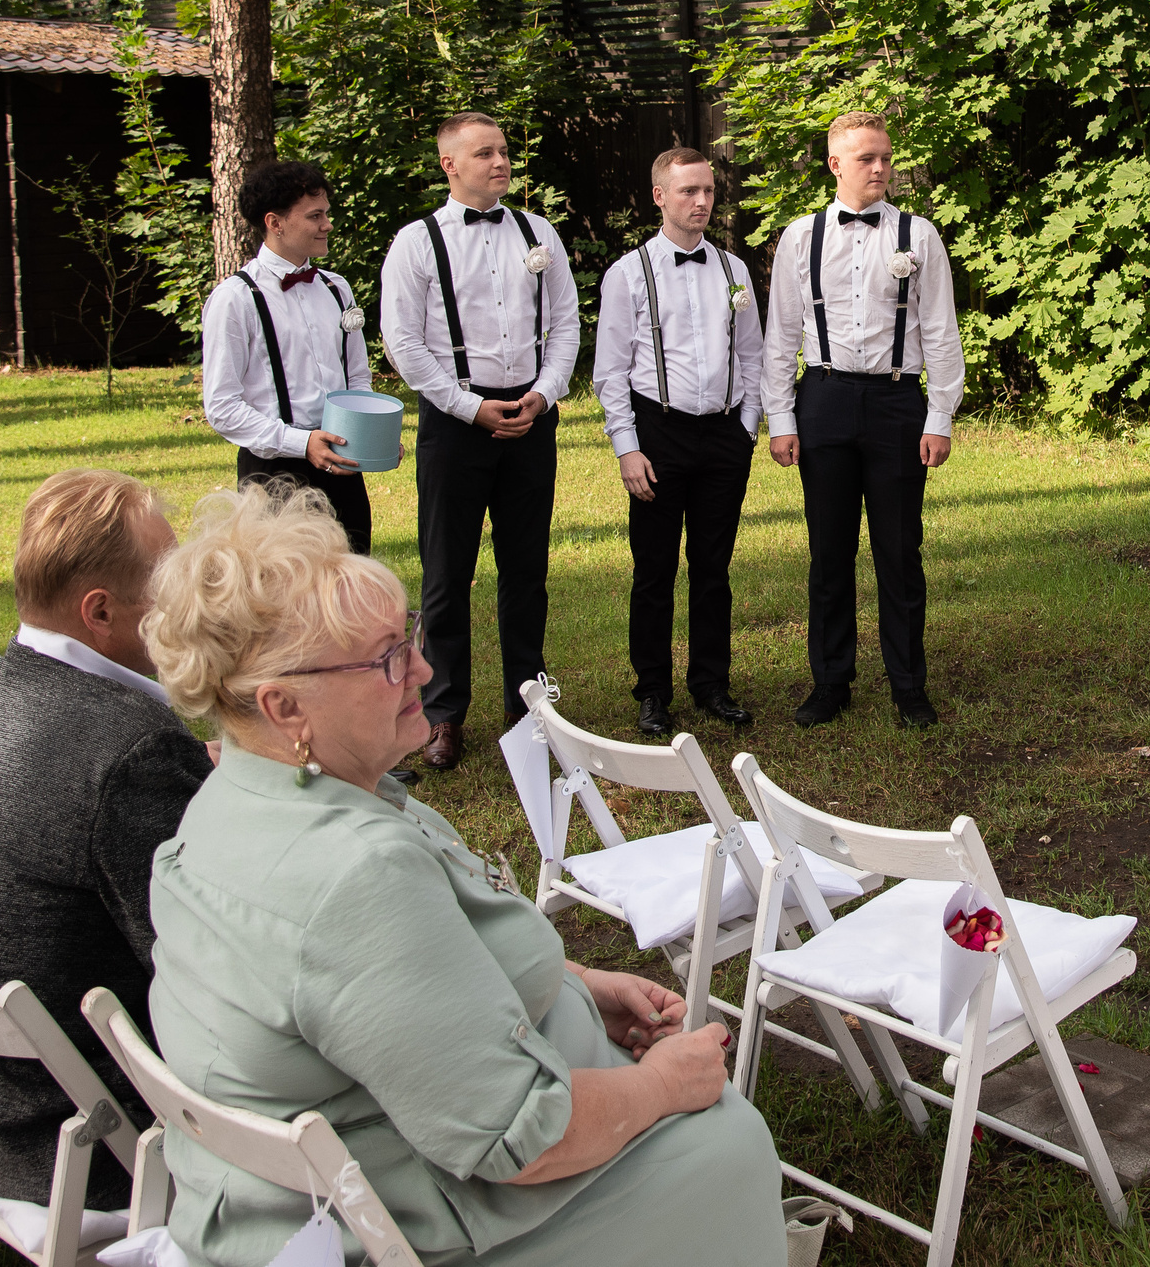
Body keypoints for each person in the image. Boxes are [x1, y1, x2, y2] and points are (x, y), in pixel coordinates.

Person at [138, 485, 785, 1267]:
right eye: (386, 657)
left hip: (289, 1191)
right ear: (284, 706)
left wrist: (578, 985)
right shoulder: (351, 875)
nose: (423, 666)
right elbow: (520, 1137)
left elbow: (393, 990)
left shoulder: (232, 801)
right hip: (393, 1220)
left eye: (407, 635)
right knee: (727, 1142)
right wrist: (664, 1084)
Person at [0, 469, 211, 1209]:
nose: (190, 603)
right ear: (100, 611)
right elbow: (205, 963)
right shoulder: (131, 748)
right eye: (169, 585)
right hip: (74, 1139)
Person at [379, 112, 580, 770]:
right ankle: (443, 713)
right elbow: (404, 343)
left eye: (504, 151)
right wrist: (471, 409)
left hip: (530, 415)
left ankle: (530, 707)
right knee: (446, 572)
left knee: (527, 570)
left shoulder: (539, 232)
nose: (500, 162)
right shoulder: (416, 242)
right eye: (485, 153)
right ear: (450, 164)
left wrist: (543, 394)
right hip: (455, 421)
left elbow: (566, 323)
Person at [762, 111, 963, 730]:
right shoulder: (801, 237)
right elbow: (781, 334)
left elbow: (941, 329)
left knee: (899, 551)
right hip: (823, 398)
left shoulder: (918, 235)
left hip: (897, 402)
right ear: (835, 164)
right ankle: (831, 682)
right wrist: (780, 416)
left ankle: (909, 686)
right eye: (866, 159)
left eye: (885, 158)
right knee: (829, 552)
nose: (880, 169)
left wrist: (940, 415)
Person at [593, 147, 762, 737]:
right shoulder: (628, 273)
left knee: (713, 567)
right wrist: (627, 446)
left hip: (724, 434)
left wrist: (747, 427)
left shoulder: (734, 270)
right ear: (660, 196)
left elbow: (751, 353)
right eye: (689, 191)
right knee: (654, 569)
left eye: (708, 190)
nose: (702, 201)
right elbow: (610, 371)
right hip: (658, 432)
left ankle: (711, 683)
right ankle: (652, 691)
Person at [201, 158, 388, 553]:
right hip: (273, 472)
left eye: (327, 214)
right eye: (315, 216)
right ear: (275, 222)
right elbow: (222, 406)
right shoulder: (235, 299)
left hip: (340, 463)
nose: (328, 225)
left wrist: (369, 435)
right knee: (283, 585)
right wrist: (300, 442)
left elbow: (356, 376)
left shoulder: (336, 289)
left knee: (352, 577)